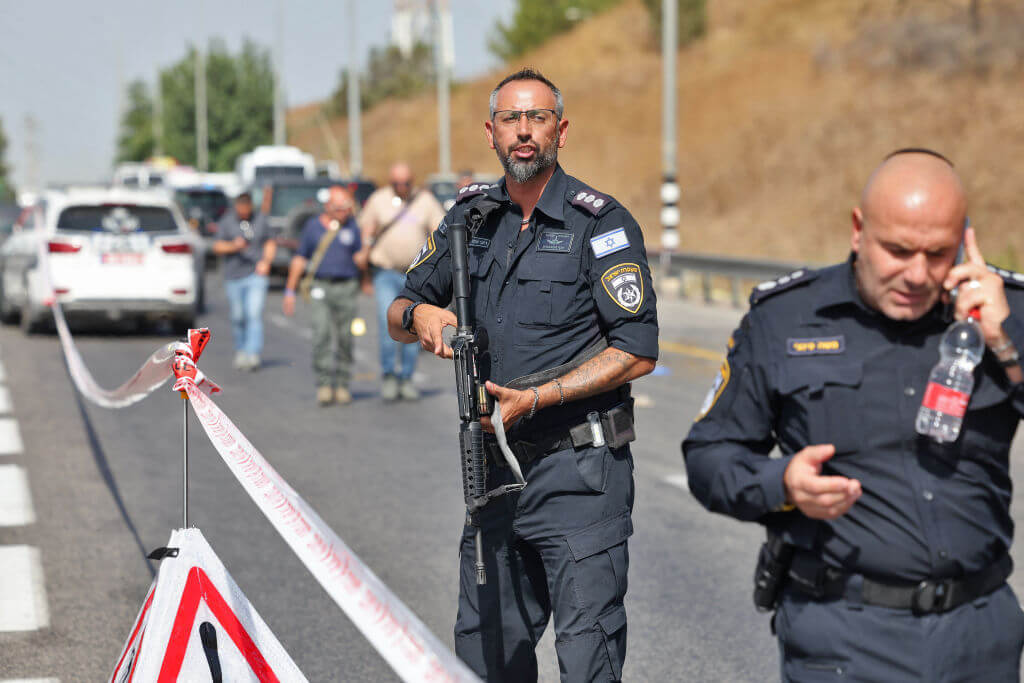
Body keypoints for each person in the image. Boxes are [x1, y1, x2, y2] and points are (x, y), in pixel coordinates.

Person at [683, 149, 1024, 682]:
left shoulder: (1004, 313)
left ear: (965, 238)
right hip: (844, 637)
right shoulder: (785, 319)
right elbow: (708, 457)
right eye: (898, 250)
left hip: (980, 640)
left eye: (937, 253)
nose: (916, 274)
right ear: (858, 230)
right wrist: (783, 484)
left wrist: (1007, 345)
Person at [387, 68, 658, 682]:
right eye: (511, 119)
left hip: (580, 474)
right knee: (486, 659)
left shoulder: (602, 224)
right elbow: (397, 311)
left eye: (537, 118)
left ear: (561, 130)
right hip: (492, 474)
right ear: (491, 132)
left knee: (588, 660)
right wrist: (421, 313)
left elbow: (637, 350)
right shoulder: (468, 221)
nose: (524, 132)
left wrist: (538, 398)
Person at [356, 162, 445, 401]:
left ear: (412, 181)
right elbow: (367, 228)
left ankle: (406, 377)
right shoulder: (379, 199)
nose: (401, 188)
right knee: (390, 326)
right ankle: (388, 375)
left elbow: (440, 230)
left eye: (405, 183)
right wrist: (364, 251)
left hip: (414, 276)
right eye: (396, 184)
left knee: (412, 327)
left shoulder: (425, 201)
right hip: (385, 272)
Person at [283, 186, 363, 406]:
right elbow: (300, 259)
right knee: (321, 334)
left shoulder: (352, 226)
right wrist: (290, 291)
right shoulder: (312, 227)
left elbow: (360, 257)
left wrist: (366, 267)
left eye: (347, 207)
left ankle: (343, 384)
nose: (344, 212)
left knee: (346, 337)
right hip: (321, 287)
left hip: (347, 287)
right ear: (328, 207)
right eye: (339, 208)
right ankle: (325, 384)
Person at [212, 191, 275, 370]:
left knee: (253, 314)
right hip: (233, 276)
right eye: (241, 207)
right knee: (238, 316)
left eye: (248, 207)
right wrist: (233, 246)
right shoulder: (227, 221)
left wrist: (266, 262)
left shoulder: (260, 220)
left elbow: (270, 242)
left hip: (255, 274)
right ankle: (241, 350)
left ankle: (252, 353)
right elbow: (216, 246)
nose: (245, 211)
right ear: (237, 207)